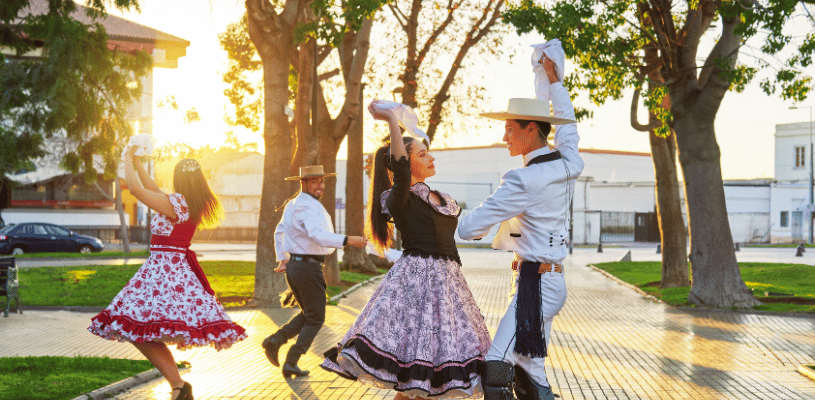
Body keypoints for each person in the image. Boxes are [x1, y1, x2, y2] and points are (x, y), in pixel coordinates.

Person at [321, 100, 492, 399]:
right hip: (416, 286)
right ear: (405, 162)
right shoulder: (399, 198)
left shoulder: (442, 197)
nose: (431, 159)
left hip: (449, 288)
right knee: (419, 378)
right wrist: (391, 120)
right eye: (423, 155)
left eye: (429, 153)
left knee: (429, 383)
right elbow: (400, 170)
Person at [457, 56, 583, 400]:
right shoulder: (569, 162)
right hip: (543, 282)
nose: (504, 137)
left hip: (536, 287)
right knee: (530, 368)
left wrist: (452, 212)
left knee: (496, 364)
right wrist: (553, 79)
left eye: (510, 129)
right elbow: (568, 126)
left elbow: (468, 229)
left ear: (531, 130)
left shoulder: (522, 179)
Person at [89, 146, 248, 400]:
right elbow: (152, 188)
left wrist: (127, 159)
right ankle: (178, 387)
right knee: (138, 329)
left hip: (165, 273)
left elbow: (139, 191)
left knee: (136, 328)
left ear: (179, 179)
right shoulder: (185, 203)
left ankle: (179, 385)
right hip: (169, 271)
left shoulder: (178, 204)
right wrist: (139, 163)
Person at [261, 165, 368, 378]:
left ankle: (276, 342)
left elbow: (280, 231)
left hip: (298, 266)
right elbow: (317, 234)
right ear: (304, 183)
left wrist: (283, 258)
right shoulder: (306, 206)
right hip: (307, 268)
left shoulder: (295, 204)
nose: (320, 185)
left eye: (322, 181)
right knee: (316, 318)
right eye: (314, 181)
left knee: (309, 314)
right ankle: (290, 357)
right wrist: (348, 240)